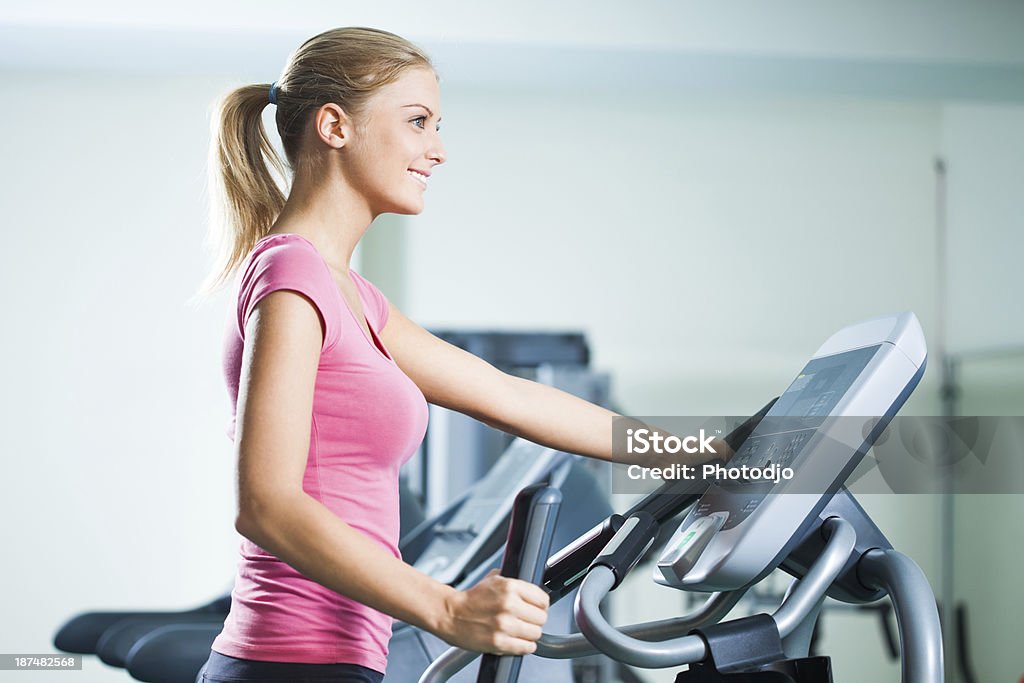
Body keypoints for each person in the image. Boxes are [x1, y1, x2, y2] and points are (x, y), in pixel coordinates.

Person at [194, 26, 719, 683]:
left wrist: (706, 449)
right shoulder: (293, 276)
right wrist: (449, 609)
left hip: (336, 660)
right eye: (418, 122)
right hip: (290, 664)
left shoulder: (353, 296)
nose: (437, 150)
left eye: (437, 125)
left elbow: (514, 398)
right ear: (334, 125)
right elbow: (266, 503)